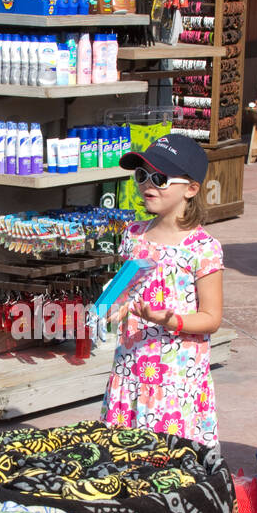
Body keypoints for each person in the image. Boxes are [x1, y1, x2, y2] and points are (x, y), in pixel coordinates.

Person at [101, 134, 224, 447]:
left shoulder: (202, 248)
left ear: (191, 189)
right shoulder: (134, 235)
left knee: (170, 463)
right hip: (130, 366)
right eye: (141, 176)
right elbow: (125, 292)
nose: (147, 185)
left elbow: (211, 318)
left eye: (160, 178)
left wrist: (168, 319)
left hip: (176, 378)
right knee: (124, 456)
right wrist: (110, 306)